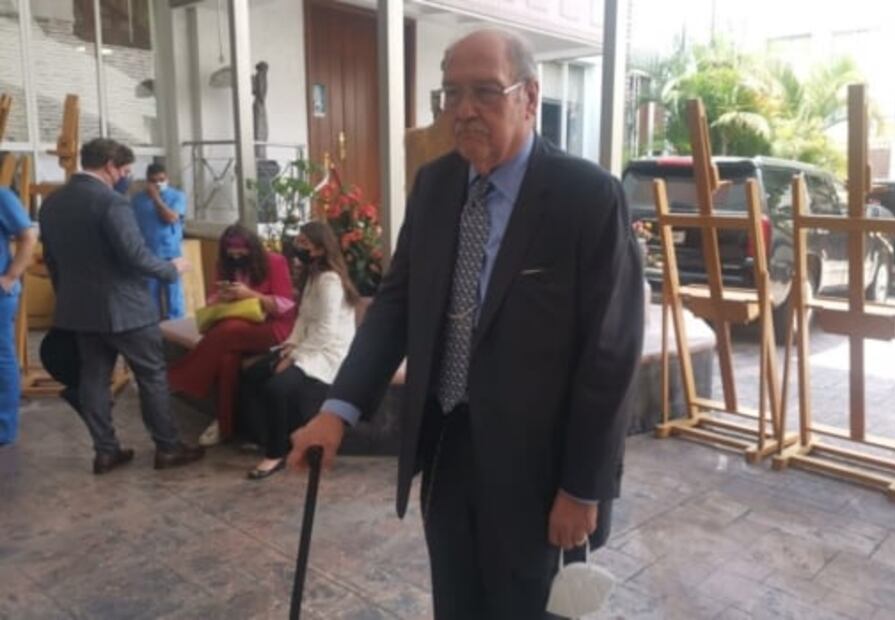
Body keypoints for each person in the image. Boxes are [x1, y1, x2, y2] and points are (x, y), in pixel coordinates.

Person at [289, 29, 643, 619]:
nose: (464, 109)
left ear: (529, 97)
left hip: (541, 472)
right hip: (448, 448)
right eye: (451, 93)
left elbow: (610, 353)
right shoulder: (435, 186)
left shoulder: (587, 198)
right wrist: (337, 409)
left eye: (485, 91)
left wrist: (583, 486)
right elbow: (396, 305)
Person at [38, 138, 204, 473]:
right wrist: (171, 269)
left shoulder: (51, 204)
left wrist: (68, 297)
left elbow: (52, 261)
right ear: (110, 166)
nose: (126, 176)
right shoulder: (112, 203)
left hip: (79, 310)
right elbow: (135, 255)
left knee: (93, 379)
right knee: (152, 376)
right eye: (125, 170)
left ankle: (105, 451)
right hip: (127, 309)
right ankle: (168, 448)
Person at [239, 221, 357, 479]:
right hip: (307, 345)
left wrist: (294, 358)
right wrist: (291, 345)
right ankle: (268, 436)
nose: (297, 247)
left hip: (327, 352)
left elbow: (326, 331)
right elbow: (303, 318)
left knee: (277, 387)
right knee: (253, 374)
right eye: (298, 241)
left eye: (304, 243)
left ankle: (275, 454)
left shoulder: (330, 281)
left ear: (320, 249)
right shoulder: (313, 277)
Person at [168, 224, 295, 447]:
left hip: (272, 327)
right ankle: (225, 426)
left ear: (252, 249)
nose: (236, 257)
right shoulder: (224, 265)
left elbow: (286, 305)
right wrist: (222, 297)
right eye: (231, 253)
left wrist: (250, 295)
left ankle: (179, 378)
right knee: (228, 359)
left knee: (228, 330)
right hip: (236, 325)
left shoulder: (274, 262)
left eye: (240, 252)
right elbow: (212, 299)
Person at [0, 185, 37, 445]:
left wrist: (11, 276)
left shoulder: (2, 196)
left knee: (1, 359)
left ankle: (4, 429)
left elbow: (28, 236)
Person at [131, 163, 187, 319]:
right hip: (147, 254)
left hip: (171, 254)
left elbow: (171, 218)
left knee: (174, 297)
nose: (158, 184)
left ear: (167, 178)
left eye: (161, 180)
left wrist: (156, 198)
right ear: (147, 181)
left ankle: (176, 326)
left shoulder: (177, 196)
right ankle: (152, 327)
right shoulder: (137, 200)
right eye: (153, 181)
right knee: (150, 297)